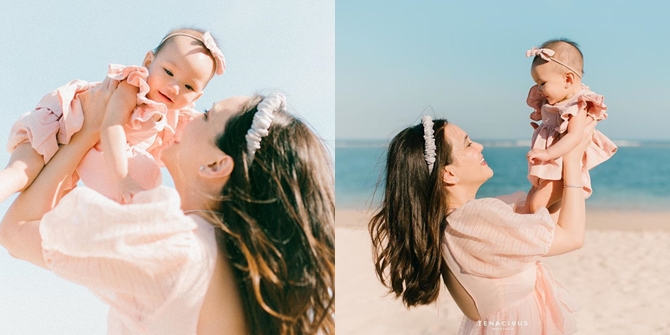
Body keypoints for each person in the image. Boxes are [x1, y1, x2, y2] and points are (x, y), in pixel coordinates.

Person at [0, 80, 335, 335]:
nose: (187, 118)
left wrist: (89, 130)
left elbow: (16, 232)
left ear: (216, 165)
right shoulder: (241, 267)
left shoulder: (172, 242)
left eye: (206, 116)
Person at [369, 115, 596, 334]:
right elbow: (572, 237)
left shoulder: (456, 223)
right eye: (467, 144)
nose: (479, 146)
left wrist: (560, 144)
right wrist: (573, 162)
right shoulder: (472, 219)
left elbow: (543, 217)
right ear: (448, 174)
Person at [0, 27, 226, 204]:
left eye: (188, 86)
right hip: (59, 123)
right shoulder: (133, 86)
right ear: (148, 62)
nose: (174, 88)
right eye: (168, 72)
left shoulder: (174, 118)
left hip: (77, 151)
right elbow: (112, 127)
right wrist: (122, 178)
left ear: (197, 96)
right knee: (20, 174)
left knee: (53, 208)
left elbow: (199, 143)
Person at [523, 38, 617, 214]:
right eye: (536, 84)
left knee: (536, 205)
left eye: (542, 83)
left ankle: (558, 195)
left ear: (567, 79)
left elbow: (574, 136)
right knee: (528, 205)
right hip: (550, 164)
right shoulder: (559, 100)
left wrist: (547, 152)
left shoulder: (577, 104)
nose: (539, 89)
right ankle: (546, 233)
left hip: (559, 168)